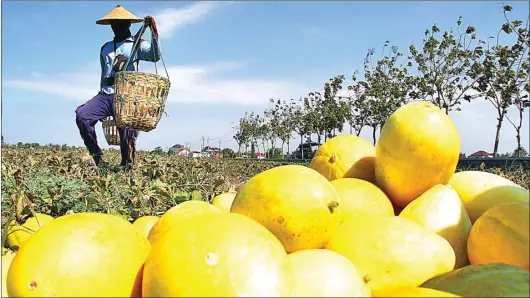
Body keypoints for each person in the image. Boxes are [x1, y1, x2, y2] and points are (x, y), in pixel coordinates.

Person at [75, 5, 160, 168]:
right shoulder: (105, 48)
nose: (117, 27)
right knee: (82, 115)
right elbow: (103, 73)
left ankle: (127, 165)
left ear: (128, 24)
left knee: (126, 131)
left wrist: (153, 32)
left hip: (126, 94)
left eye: (120, 23)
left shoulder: (137, 44)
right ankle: (98, 159)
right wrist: (101, 96)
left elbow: (155, 56)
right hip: (106, 94)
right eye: (114, 24)